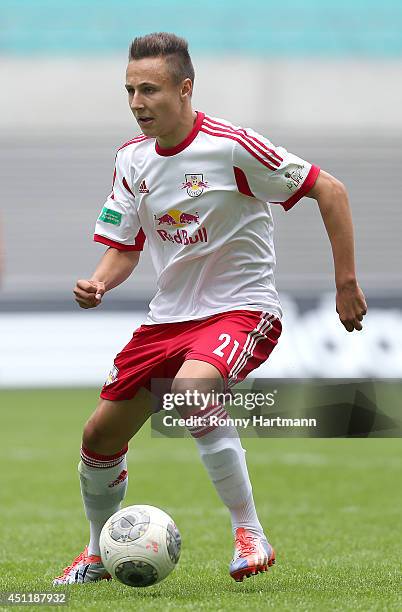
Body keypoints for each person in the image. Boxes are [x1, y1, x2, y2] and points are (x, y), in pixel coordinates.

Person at [53, 32, 367, 585]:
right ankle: (99, 555)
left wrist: (345, 284)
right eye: (129, 90)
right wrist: (99, 283)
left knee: (194, 392)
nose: (136, 103)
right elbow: (123, 247)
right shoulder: (130, 159)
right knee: (99, 437)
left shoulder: (231, 147)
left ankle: (249, 532)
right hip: (166, 320)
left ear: (186, 87)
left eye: (149, 89)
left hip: (241, 311)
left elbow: (331, 191)